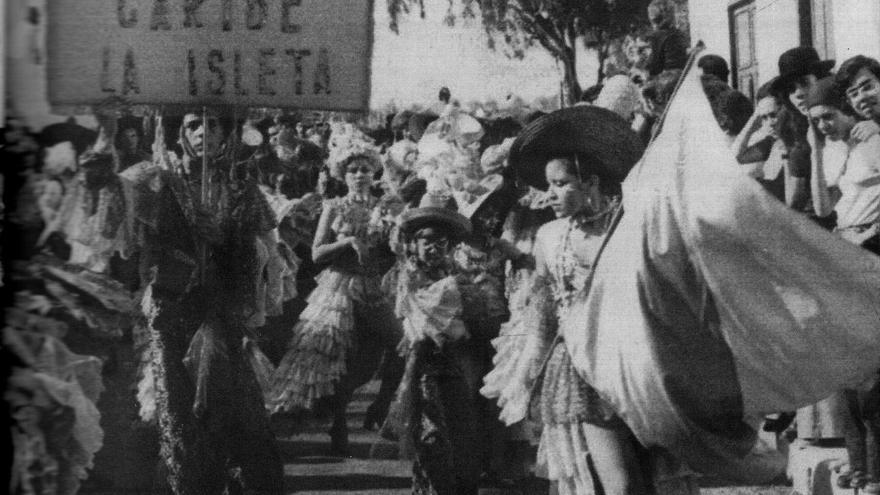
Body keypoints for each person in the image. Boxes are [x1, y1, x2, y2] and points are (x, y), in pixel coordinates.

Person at [499, 106, 696, 495]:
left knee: (654, 478)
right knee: (616, 484)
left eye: (560, 184)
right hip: (581, 368)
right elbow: (542, 312)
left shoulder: (632, 228)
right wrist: (526, 372)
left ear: (589, 182)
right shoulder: (550, 237)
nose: (549, 195)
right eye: (548, 185)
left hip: (640, 364)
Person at [144, 110, 284, 494]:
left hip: (221, 307)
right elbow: (138, 244)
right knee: (176, 410)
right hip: (171, 308)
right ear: (180, 134)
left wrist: (225, 237)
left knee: (221, 402)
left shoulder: (243, 188)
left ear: (227, 134)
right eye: (193, 125)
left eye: (214, 125)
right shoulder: (159, 184)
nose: (204, 131)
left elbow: (263, 253)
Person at [270, 129, 398, 452]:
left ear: (374, 172)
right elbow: (315, 254)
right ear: (344, 174)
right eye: (353, 170)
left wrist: (391, 240)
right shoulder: (334, 206)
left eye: (365, 170)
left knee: (400, 344)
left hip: (374, 287)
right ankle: (338, 420)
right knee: (332, 355)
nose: (359, 175)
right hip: (339, 285)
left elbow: (392, 250)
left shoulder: (384, 206)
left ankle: (381, 404)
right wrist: (347, 241)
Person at [805, 76, 880, 492]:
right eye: (816, 120)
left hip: (871, 253)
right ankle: (860, 463)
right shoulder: (839, 151)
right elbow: (821, 205)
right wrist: (816, 146)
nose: (823, 125)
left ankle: (876, 470)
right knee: (847, 371)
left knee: (871, 372)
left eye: (828, 117)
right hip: (846, 253)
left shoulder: (875, 142)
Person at [391, 192, 480, 494]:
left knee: (460, 427)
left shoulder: (451, 273)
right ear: (413, 245)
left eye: (440, 242)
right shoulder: (409, 275)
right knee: (431, 431)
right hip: (423, 364)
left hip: (452, 362)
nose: (433, 248)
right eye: (426, 241)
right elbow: (426, 313)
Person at [644, 0, 689, 77]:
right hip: (682, 75)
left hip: (669, 78)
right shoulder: (678, 32)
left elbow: (654, 66)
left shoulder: (658, 35)